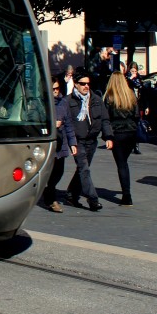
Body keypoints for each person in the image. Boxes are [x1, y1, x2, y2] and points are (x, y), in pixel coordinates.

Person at [65, 70, 114, 211]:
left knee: (82, 170)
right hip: (78, 141)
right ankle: (93, 199)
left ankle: (71, 194)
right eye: (82, 84)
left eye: (88, 84)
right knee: (84, 169)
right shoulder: (68, 101)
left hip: (92, 140)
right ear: (75, 84)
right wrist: (70, 142)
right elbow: (66, 123)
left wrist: (108, 137)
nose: (86, 86)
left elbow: (105, 119)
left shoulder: (96, 99)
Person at [40, 74, 77, 213]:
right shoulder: (40, 102)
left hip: (61, 143)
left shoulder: (63, 102)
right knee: (48, 172)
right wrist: (51, 124)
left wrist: (73, 143)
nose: (55, 91)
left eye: (57, 88)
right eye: (52, 89)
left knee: (59, 172)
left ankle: (49, 190)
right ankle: (51, 199)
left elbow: (68, 124)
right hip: (47, 143)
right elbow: (33, 119)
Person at [103, 71, 140, 206]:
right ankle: (126, 193)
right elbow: (136, 115)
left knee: (122, 164)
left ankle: (126, 195)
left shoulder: (109, 97)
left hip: (117, 133)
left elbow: (105, 118)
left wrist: (107, 135)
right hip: (131, 132)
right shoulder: (130, 95)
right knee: (124, 162)